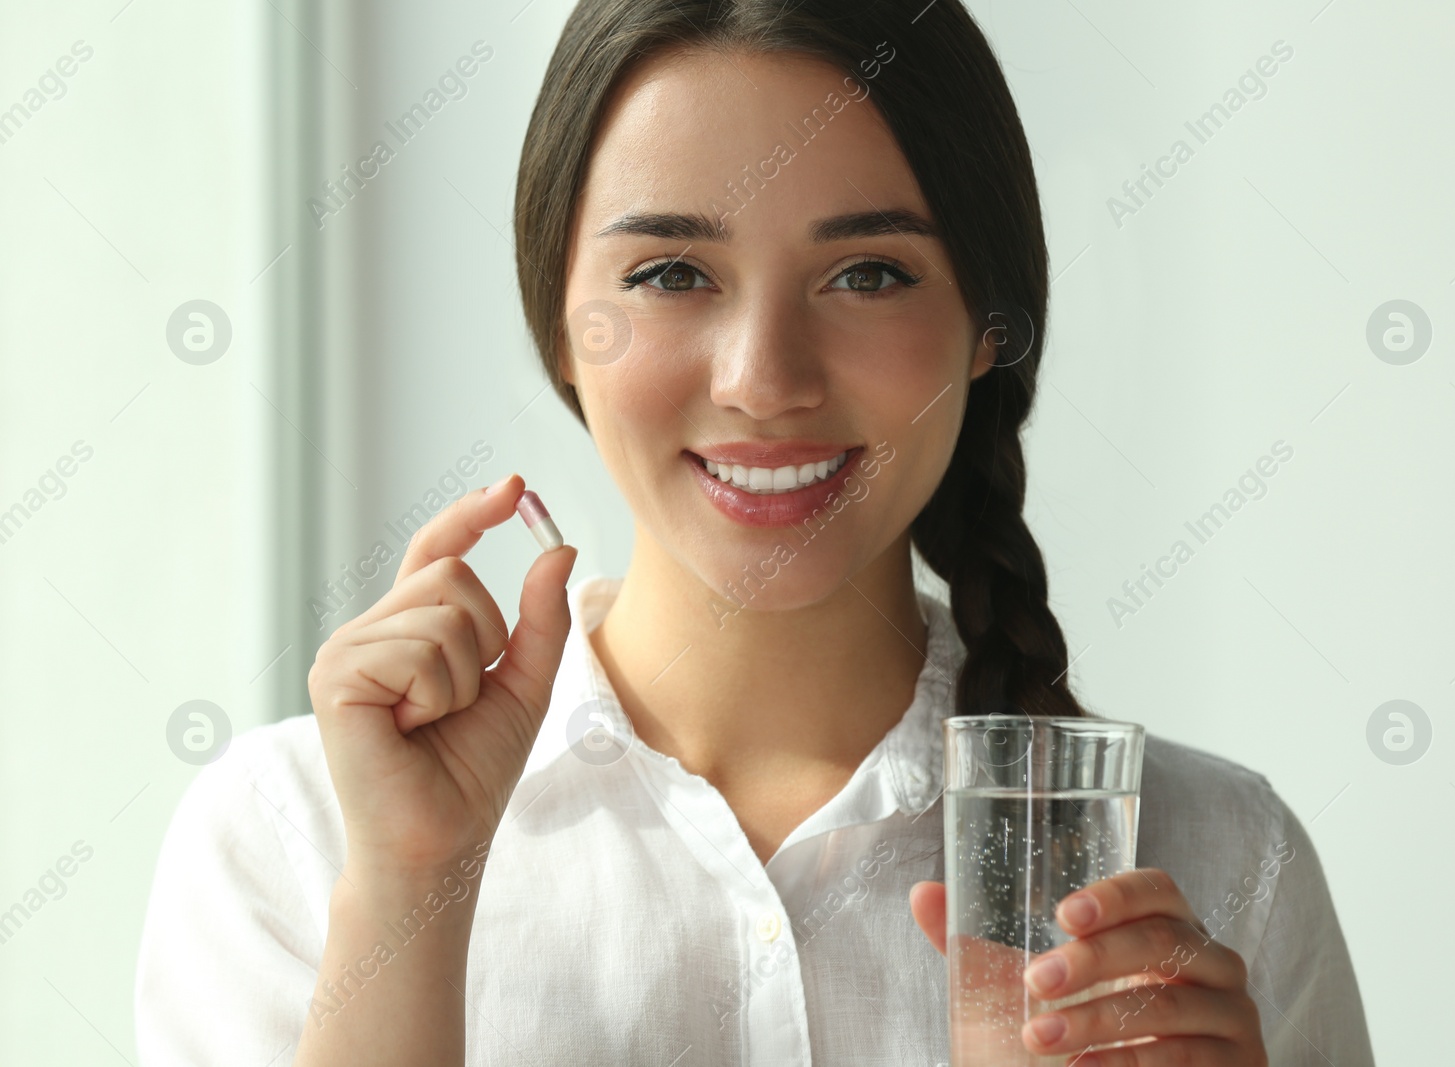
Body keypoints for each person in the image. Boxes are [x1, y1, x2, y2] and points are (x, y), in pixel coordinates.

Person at [134, 1, 1374, 1064]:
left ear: (991, 320)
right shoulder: (297, 836)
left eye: (868, 273)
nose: (763, 377)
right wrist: (409, 885)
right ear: (557, 320)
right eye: (672, 272)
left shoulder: (1217, 863)